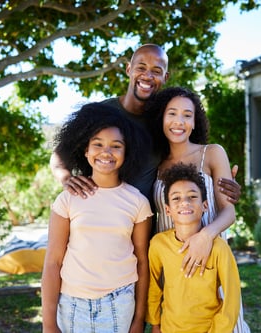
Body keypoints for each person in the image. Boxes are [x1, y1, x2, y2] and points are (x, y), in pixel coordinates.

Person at [49, 44, 241, 212]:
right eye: (141, 67)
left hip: (145, 228)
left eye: (156, 71)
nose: (147, 75)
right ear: (128, 69)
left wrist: (221, 185)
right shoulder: (101, 113)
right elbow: (59, 156)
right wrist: (66, 178)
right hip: (99, 218)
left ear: (165, 77)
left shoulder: (165, 122)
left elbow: (191, 159)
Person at [145, 86, 250, 332]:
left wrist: (205, 237)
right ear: (161, 118)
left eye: (187, 115)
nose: (179, 121)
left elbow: (229, 211)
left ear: (195, 122)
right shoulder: (154, 162)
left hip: (209, 255)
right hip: (171, 263)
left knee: (221, 319)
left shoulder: (212, 153)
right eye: (172, 113)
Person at [41, 103, 152, 333]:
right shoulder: (68, 199)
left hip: (119, 302)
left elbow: (142, 262)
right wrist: (48, 323)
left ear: (126, 152)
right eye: (98, 144)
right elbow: (53, 262)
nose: (106, 152)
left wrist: (139, 319)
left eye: (116, 146)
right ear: (86, 151)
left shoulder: (137, 202)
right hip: (72, 304)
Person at [146, 162, 241, 333]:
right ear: (167, 210)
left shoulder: (219, 248)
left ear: (205, 205)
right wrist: (155, 323)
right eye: (176, 198)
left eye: (192, 196)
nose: (184, 202)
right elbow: (153, 286)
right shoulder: (159, 244)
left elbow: (232, 297)